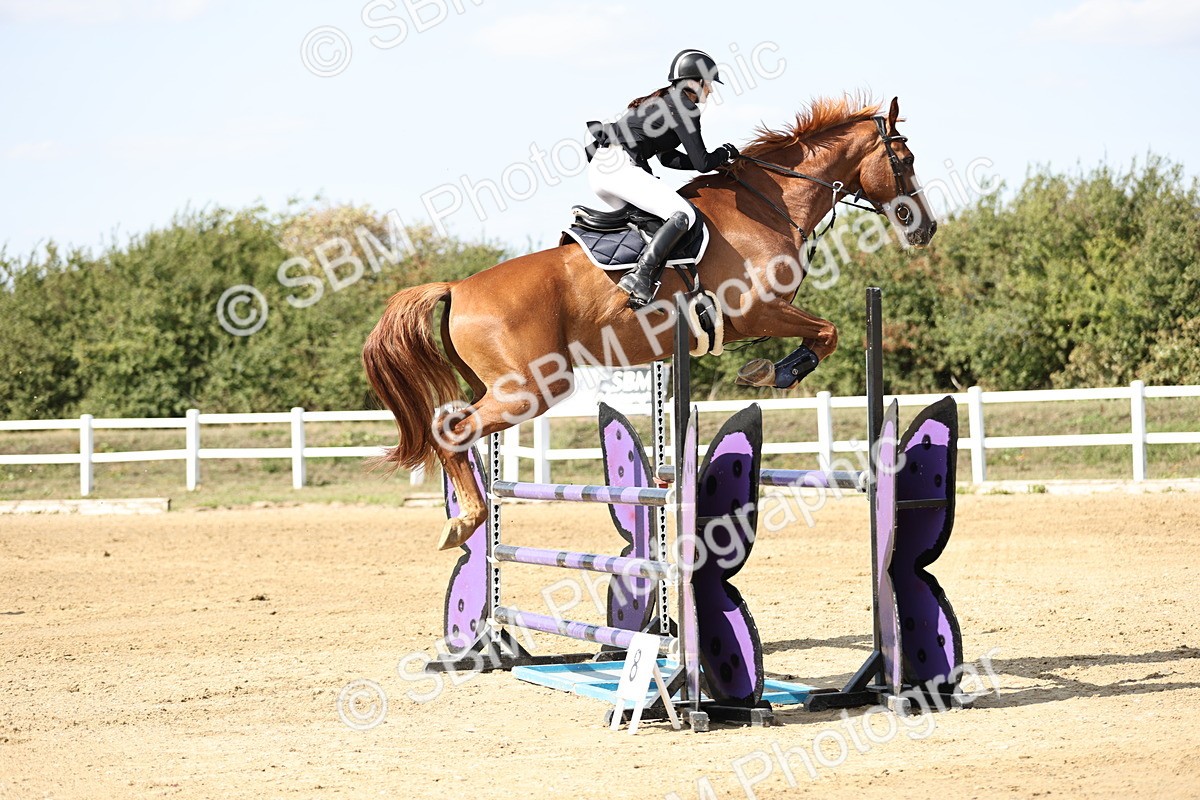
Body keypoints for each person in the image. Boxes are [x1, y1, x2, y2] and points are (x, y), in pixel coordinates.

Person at [586, 49, 739, 309]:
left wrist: (717, 160)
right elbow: (702, 162)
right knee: (683, 214)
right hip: (620, 168)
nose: (711, 91)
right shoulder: (684, 107)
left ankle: (655, 284)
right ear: (695, 82)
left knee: (655, 225)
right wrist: (724, 153)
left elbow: (668, 159)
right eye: (709, 84)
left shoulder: (663, 102)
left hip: (603, 171)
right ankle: (640, 278)